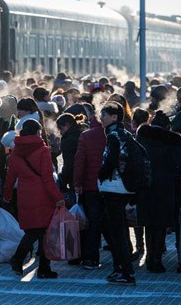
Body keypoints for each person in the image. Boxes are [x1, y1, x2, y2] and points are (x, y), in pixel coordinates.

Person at [3, 119, 64, 279]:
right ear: (37, 132)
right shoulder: (43, 151)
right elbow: (47, 179)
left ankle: (44, 267)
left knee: (36, 231)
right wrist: (58, 197)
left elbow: (10, 177)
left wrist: (7, 195)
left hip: (25, 195)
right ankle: (19, 260)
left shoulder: (15, 151)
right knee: (40, 231)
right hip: (42, 196)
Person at [136, 111, 181, 272]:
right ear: (167, 126)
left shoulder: (141, 138)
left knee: (148, 223)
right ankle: (156, 259)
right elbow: (180, 166)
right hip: (165, 186)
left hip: (145, 186)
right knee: (160, 224)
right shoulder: (171, 141)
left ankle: (148, 258)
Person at [98, 102, 136, 286]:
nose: (101, 118)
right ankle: (119, 268)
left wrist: (100, 175)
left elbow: (111, 161)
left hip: (115, 188)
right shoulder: (125, 133)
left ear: (114, 117)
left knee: (117, 232)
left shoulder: (113, 136)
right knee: (113, 228)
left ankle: (126, 273)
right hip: (123, 188)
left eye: (104, 115)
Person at [73, 108, 107, 270]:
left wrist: (77, 183)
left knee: (92, 223)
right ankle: (122, 256)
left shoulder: (86, 135)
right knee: (112, 221)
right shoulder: (116, 134)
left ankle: (90, 258)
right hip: (111, 187)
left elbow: (80, 163)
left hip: (90, 186)